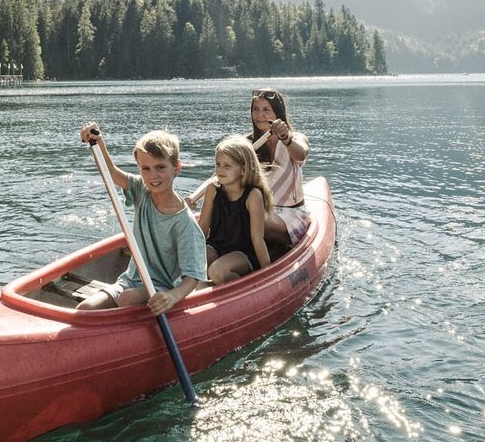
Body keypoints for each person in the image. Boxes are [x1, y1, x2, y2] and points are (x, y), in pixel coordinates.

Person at [76, 123, 207, 313]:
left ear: (176, 168)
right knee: (85, 309)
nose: (153, 175)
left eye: (161, 167)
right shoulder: (142, 191)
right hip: (130, 280)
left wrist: (172, 297)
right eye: (145, 168)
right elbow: (111, 173)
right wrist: (98, 143)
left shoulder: (185, 224)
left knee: (128, 298)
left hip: (162, 288)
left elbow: (193, 276)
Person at [200, 136, 273, 283]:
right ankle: (203, 292)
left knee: (217, 271)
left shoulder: (253, 195)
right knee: (194, 264)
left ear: (243, 169)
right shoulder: (212, 190)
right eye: (218, 164)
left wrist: (268, 274)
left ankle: (241, 292)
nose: (220, 170)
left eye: (227, 166)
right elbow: (202, 228)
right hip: (216, 246)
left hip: (243, 252)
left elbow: (257, 239)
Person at [248, 87, 311, 248]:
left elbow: (301, 154)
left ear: (277, 113)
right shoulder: (248, 143)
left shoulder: (294, 138)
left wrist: (286, 139)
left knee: (251, 221)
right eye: (256, 109)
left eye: (266, 110)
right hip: (262, 211)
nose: (260, 115)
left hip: (291, 214)